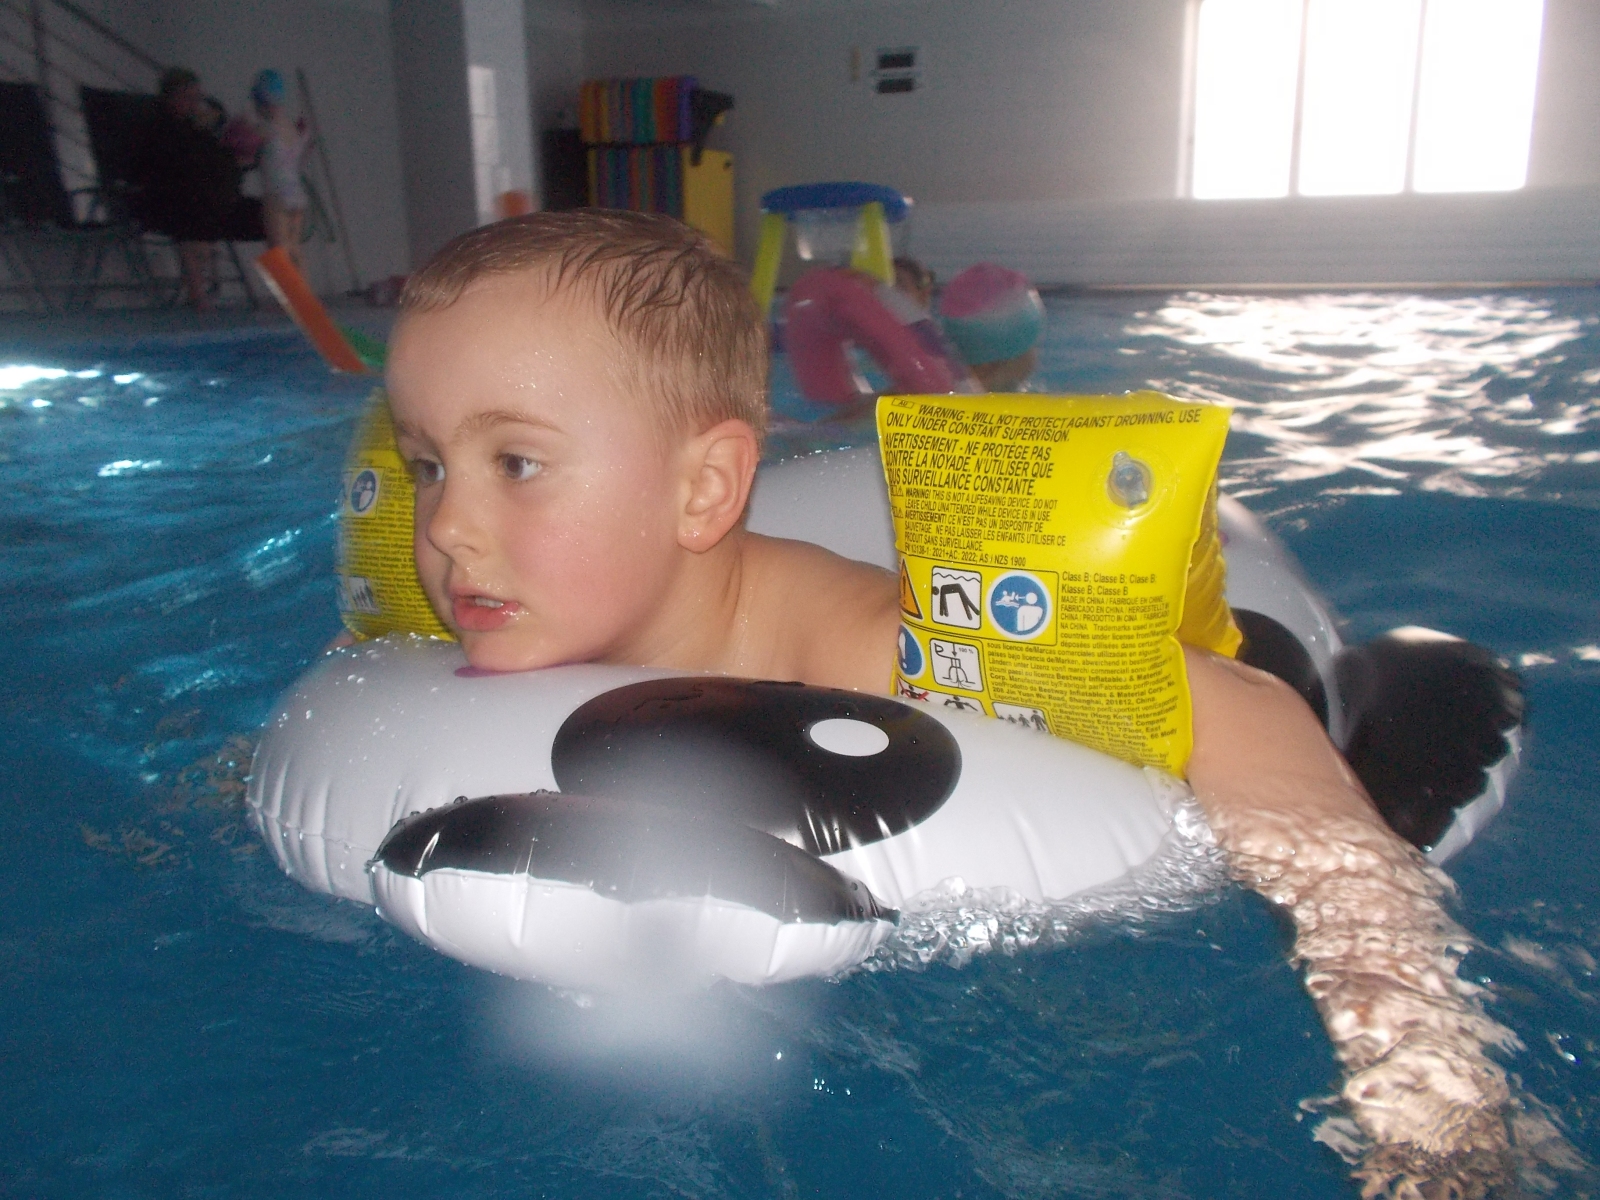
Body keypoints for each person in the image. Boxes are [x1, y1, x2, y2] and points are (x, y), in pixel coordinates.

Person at [382, 210, 1517, 1196]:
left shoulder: (864, 650)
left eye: (515, 463)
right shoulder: (502, 632)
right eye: (428, 464)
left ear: (704, 489)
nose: (447, 527)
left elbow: (1234, 704)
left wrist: (1405, 1037)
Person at [136, 67, 264, 310]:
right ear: (171, 98)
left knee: (269, 214)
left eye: (197, 98)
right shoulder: (160, 129)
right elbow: (175, 168)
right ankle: (198, 295)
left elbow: (217, 160)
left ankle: (286, 295)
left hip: (213, 198)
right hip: (176, 201)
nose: (195, 104)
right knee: (196, 218)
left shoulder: (200, 130)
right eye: (188, 98)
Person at [249, 69, 312, 270]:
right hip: (297, 196)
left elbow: (243, 152)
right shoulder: (293, 129)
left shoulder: (264, 129)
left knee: (277, 253)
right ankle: (302, 290)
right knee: (294, 249)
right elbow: (299, 162)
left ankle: (285, 292)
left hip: (276, 196)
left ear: (260, 102)